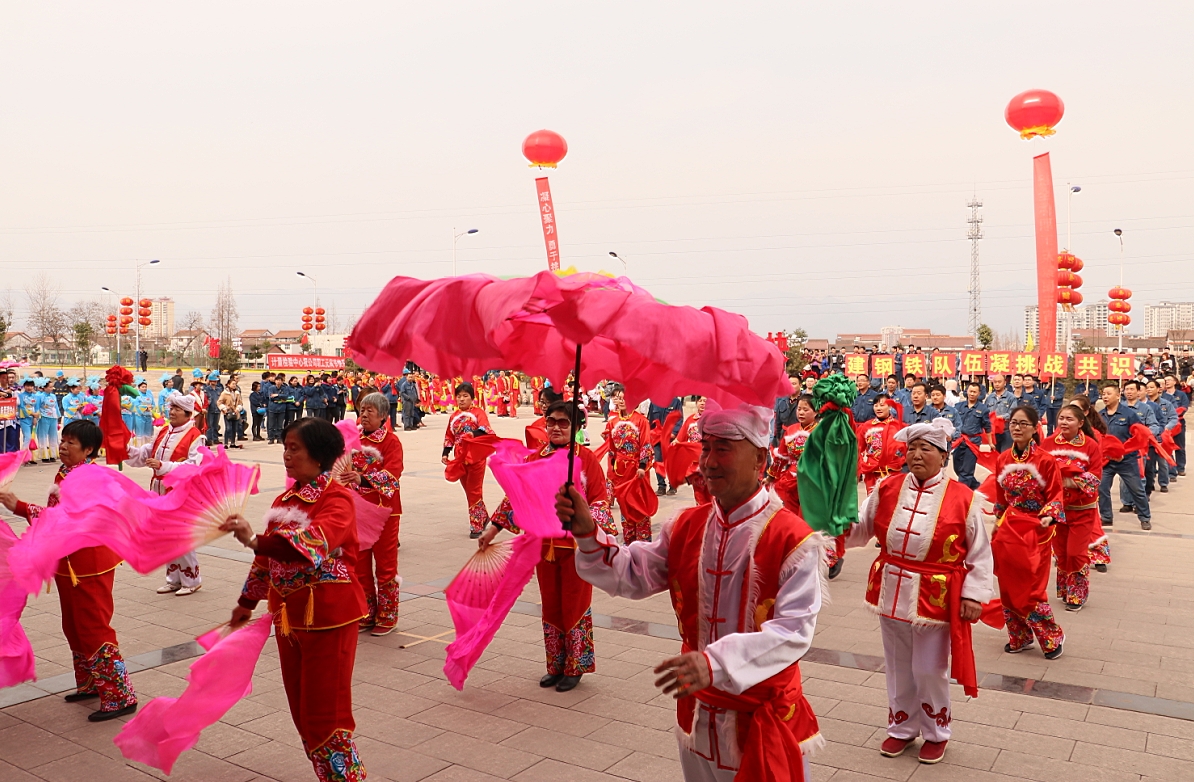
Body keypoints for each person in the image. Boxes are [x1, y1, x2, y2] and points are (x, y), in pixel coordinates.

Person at [559, 404, 823, 781]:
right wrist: (588, 533)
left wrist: (713, 663)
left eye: (724, 448)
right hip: (697, 713)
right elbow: (633, 574)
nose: (709, 462)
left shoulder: (793, 539)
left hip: (763, 718)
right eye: (706, 448)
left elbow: (793, 633)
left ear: (760, 458)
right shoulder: (687, 524)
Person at [222, 418, 368, 781]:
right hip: (289, 616)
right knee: (302, 709)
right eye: (285, 447)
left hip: (329, 618)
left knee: (326, 712)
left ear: (319, 456)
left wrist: (255, 539)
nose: (286, 455)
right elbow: (266, 562)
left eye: (294, 448)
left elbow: (312, 545)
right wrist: (247, 602)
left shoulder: (337, 500)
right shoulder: (284, 500)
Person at [844, 417, 993, 765]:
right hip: (891, 586)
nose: (916, 455)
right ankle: (901, 728)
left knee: (929, 667)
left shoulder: (963, 498)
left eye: (926, 449)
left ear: (943, 455)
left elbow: (980, 551)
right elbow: (861, 530)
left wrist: (973, 595)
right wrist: (833, 523)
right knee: (897, 665)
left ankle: (936, 731)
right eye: (911, 448)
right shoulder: (887, 487)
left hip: (935, 595)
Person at [0, 420, 138, 721]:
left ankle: (120, 694)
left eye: (70, 442)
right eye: (63, 440)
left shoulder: (91, 479)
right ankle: (90, 683)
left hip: (90, 564)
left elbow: (68, 519)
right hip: (68, 562)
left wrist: (20, 506)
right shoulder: (66, 471)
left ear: (88, 449)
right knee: (73, 625)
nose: (62, 446)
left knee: (93, 627)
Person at [481, 401, 617, 692]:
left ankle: (576, 666)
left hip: (577, 548)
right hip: (543, 546)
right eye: (551, 421)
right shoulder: (535, 458)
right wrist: (493, 529)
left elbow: (601, 501)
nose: (555, 427)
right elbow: (515, 497)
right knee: (551, 604)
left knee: (575, 603)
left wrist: (586, 525)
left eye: (563, 423)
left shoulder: (587, 460)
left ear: (576, 428)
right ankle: (555, 664)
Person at [992, 405, 1066, 659]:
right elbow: (1000, 497)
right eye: (1013, 423)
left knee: (1031, 586)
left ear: (1035, 428)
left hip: (1036, 527)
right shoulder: (1002, 459)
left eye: (1023, 424)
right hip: (1010, 526)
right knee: (1008, 583)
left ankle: (1051, 636)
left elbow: (1056, 494)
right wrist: (997, 521)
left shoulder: (1046, 460)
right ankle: (1019, 636)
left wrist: (1049, 514)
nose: (1017, 428)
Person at [125, 393, 206, 596]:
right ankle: (173, 579)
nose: (172, 412)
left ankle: (192, 579)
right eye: (171, 408)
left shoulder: (196, 436)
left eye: (177, 409)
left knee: (181, 536)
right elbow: (144, 454)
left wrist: (164, 466)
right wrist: (123, 449)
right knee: (164, 535)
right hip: (158, 491)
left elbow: (194, 465)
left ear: (188, 414)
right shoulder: (162, 432)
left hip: (181, 492)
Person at [342, 392, 404, 635]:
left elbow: (393, 475)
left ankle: (388, 615)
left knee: (386, 565)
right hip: (357, 511)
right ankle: (367, 612)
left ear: (383, 416)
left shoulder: (391, 442)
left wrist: (362, 478)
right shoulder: (353, 440)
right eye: (362, 410)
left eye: (370, 410)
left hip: (384, 512)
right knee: (360, 565)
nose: (364, 414)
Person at [1041, 404, 1103, 611]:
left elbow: (1095, 477)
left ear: (1080, 423)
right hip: (1058, 510)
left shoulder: (1091, 445)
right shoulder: (1048, 443)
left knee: (1076, 552)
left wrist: (1069, 477)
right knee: (1062, 553)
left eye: (1069, 419)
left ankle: (1078, 594)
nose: (1064, 422)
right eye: (1061, 418)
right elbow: (1041, 472)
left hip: (1082, 509)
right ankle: (1066, 590)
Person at [602, 386, 655, 543]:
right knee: (624, 505)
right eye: (619, 397)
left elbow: (646, 444)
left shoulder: (641, 421)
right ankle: (629, 542)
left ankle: (643, 544)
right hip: (620, 471)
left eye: (626, 397)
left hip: (637, 469)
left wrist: (642, 466)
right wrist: (610, 473)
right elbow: (611, 450)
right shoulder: (613, 423)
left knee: (639, 504)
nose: (622, 400)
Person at [442, 382, 492, 538]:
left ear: (472, 398)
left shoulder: (478, 413)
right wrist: (445, 453)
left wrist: (472, 435)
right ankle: (483, 516)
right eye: (459, 396)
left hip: (476, 457)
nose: (462, 399)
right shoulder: (453, 416)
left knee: (474, 490)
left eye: (465, 396)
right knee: (469, 491)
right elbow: (449, 436)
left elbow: (486, 429)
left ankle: (476, 525)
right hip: (460, 458)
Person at [1099, 384, 1151, 530]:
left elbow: (1139, 435)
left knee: (1137, 490)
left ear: (1117, 395)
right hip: (1107, 460)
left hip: (1126, 460)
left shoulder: (1129, 414)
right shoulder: (1100, 415)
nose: (1105, 396)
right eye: (1103, 393)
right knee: (1102, 488)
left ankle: (1145, 517)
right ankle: (1106, 517)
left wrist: (1124, 452)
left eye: (1108, 393)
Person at [856, 394, 905, 493]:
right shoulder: (866, 426)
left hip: (893, 471)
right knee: (872, 503)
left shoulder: (898, 426)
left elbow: (905, 449)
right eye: (876, 405)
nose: (878, 408)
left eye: (882, 405)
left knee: (891, 502)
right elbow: (858, 448)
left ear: (890, 406)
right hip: (872, 471)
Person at [951, 382, 990, 490]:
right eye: (970, 391)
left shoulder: (983, 408)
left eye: (974, 392)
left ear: (979, 394)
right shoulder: (958, 406)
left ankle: (961, 493)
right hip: (959, 440)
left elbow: (987, 426)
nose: (972, 394)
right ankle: (976, 486)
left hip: (973, 442)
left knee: (966, 471)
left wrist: (991, 443)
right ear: (966, 391)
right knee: (957, 468)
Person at [674, 397, 711, 505]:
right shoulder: (690, 420)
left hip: (711, 464)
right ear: (696, 402)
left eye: (705, 401)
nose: (702, 403)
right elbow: (679, 439)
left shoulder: (714, 420)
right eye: (700, 401)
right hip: (695, 466)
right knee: (699, 496)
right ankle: (700, 519)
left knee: (712, 496)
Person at [1144, 379, 1178, 494]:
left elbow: (1173, 417)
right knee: (1149, 463)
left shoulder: (1166, 404)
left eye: (1151, 387)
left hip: (1162, 437)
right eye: (1147, 387)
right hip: (1149, 437)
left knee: (1162, 461)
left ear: (1158, 389)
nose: (1149, 389)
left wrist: (1167, 428)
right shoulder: (1144, 404)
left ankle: (1163, 482)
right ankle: (1150, 482)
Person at [648, 396, 683, 495]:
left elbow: (679, 418)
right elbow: (650, 420)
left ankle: (672, 485)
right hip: (657, 438)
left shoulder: (676, 401)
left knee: (671, 462)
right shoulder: (654, 402)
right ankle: (661, 486)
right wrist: (651, 434)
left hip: (670, 438)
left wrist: (674, 433)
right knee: (658, 461)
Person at [985, 375, 1015, 453]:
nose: (997, 384)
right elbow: (985, 413)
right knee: (994, 455)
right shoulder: (990, 397)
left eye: (999, 382)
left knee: (1005, 455)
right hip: (993, 433)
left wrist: (1000, 417)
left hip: (1006, 431)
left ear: (1005, 383)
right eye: (995, 382)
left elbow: (1013, 413)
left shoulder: (1011, 397)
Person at [34, 377, 60, 463]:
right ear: (44, 388)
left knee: (53, 436)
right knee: (43, 437)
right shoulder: (39, 396)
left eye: (52, 387)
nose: (51, 388)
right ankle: (44, 456)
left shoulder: (53, 395)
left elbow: (56, 407)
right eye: (49, 387)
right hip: (43, 418)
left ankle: (52, 455)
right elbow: (36, 407)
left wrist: (58, 417)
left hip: (53, 418)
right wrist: (36, 417)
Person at [772, 376, 800, 447]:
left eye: (794, 384)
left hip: (799, 436)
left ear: (800, 385)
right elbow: (778, 422)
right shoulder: (781, 400)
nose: (791, 386)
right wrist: (778, 436)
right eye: (789, 384)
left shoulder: (804, 400)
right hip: (783, 435)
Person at [218, 377, 245, 449]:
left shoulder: (237, 393)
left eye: (235, 384)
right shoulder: (224, 393)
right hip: (228, 413)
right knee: (228, 428)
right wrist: (224, 408)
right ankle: (226, 443)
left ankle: (233, 443)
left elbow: (240, 402)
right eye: (233, 384)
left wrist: (238, 408)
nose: (234, 385)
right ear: (228, 384)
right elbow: (219, 402)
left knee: (234, 428)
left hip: (236, 413)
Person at [132, 379, 155, 446]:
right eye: (142, 387)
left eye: (145, 387)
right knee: (140, 433)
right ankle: (140, 448)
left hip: (148, 416)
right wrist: (145, 408)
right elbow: (136, 405)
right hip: (140, 417)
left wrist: (151, 407)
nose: (144, 388)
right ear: (139, 388)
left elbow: (153, 404)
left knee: (148, 433)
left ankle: (147, 447)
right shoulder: (136, 395)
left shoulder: (149, 394)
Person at [267, 372, 288, 444]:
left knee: (280, 425)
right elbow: (271, 397)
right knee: (271, 425)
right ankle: (271, 438)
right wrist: (280, 398)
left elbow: (286, 397)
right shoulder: (271, 388)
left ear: (282, 381)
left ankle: (279, 438)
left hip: (281, 409)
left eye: (280, 380)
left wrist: (277, 395)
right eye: (277, 380)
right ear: (275, 381)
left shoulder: (285, 388)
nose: (279, 382)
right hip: (272, 408)